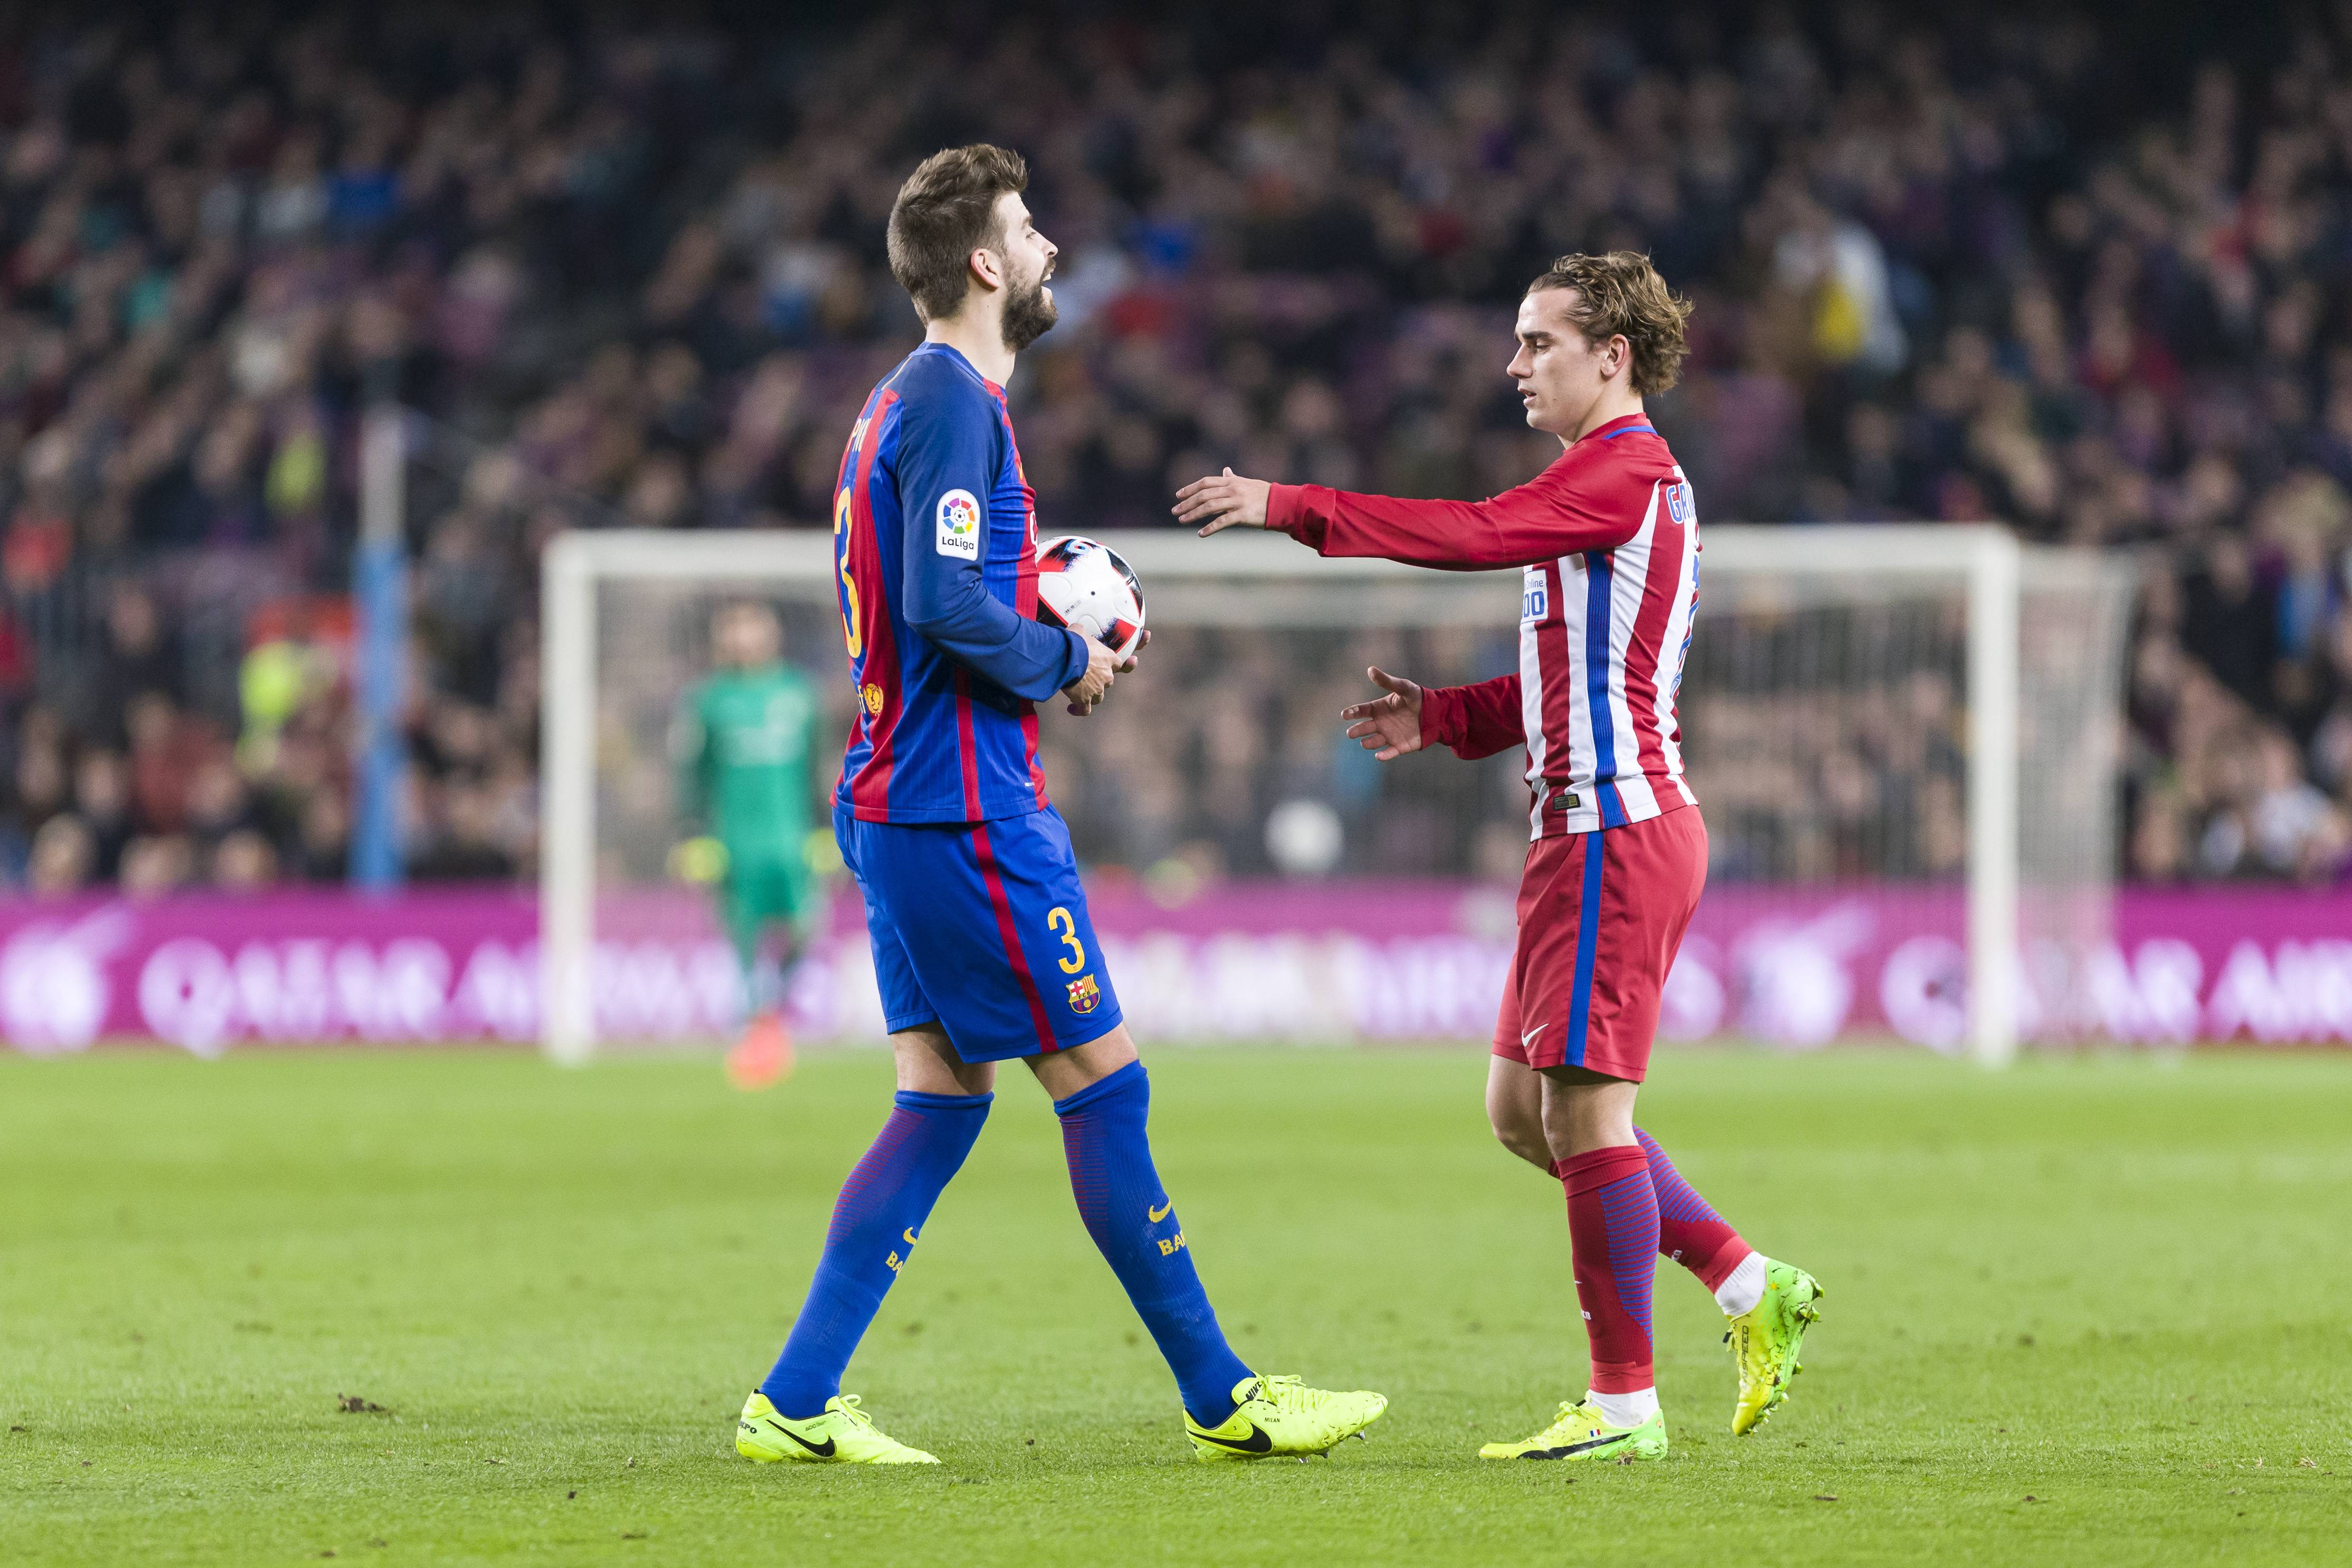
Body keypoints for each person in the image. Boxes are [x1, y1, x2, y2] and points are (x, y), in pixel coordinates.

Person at [736, 144, 1386, 1468]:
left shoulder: (895, 403)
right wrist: (1065, 659)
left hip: (894, 796)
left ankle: (795, 1397)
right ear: (982, 263)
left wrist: (1031, 613)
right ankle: (1223, 1394)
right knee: (1102, 1081)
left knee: (940, 1095)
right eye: (1027, 229)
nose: (1045, 249)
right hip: (962, 809)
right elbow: (940, 600)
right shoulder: (955, 398)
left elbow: (938, 587)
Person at [1178, 251, 1822, 1463]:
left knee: (1585, 1115)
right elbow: (1575, 676)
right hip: (1573, 836)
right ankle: (1745, 1283)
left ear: (1610, 356)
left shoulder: (1623, 473)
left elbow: (1471, 534)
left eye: (1538, 343)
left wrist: (1291, 505)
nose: (1512, 365)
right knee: (1522, 1113)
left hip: (1616, 835)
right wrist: (1446, 718)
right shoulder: (1598, 483)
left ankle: (1621, 1406)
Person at [671, 601, 823, 1089]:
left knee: (804, 929)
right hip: (734, 843)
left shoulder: (798, 693)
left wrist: (828, 829)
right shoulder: (708, 700)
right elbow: (691, 774)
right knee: (742, 939)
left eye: (752, 626)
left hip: (792, 838)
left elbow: (820, 767)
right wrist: (693, 835)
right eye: (733, 628)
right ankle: (755, 1033)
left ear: (772, 632)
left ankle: (768, 1014)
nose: (743, 637)